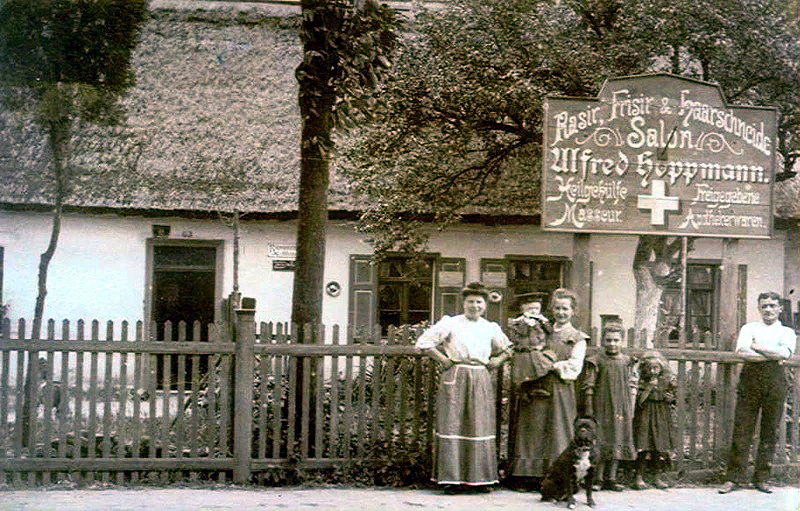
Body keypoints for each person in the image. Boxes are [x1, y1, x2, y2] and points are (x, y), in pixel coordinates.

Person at [415, 281, 513, 493]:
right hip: (456, 375)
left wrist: (497, 361)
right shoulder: (451, 323)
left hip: (480, 377)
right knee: (453, 423)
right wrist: (443, 359)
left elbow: (508, 349)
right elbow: (424, 343)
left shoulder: (490, 327)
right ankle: (452, 479)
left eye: (479, 302)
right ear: (463, 302)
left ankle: (481, 479)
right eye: (470, 302)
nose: (474, 306)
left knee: (479, 424)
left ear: (485, 305)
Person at [507, 288, 588, 489]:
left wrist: (549, 365)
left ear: (573, 311)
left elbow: (574, 368)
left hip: (561, 388)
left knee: (559, 430)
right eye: (557, 308)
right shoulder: (541, 330)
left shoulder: (577, 337)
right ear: (551, 309)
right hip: (537, 385)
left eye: (565, 309)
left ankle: (557, 476)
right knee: (533, 429)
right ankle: (529, 477)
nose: (561, 312)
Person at [719, 291, 796, 494]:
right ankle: (733, 478)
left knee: (770, 430)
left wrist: (757, 346)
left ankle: (761, 479)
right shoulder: (749, 328)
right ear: (759, 308)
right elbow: (742, 352)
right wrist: (771, 354)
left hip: (775, 380)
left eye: (772, 305)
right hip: (751, 379)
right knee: (742, 428)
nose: (768, 310)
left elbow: (785, 353)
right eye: (764, 306)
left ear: (780, 308)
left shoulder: (787, 332)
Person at [583, 315, 638, 491]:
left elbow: (633, 383)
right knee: (601, 440)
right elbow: (589, 384)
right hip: (602, 405)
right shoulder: (596, 360)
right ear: (602, 341)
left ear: (622, 341)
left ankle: (612, 478)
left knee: (618, 438)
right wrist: (589, 406)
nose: (612, 344)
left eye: (616, 340)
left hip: (621, 406)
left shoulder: (628, 361)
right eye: (608, 340)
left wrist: (631, 405)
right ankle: (598, 479)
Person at [632, 350, 676, 490]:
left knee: (659, 447)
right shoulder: (642, 382)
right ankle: (638, 477)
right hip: (646, 415)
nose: (653, 371)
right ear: (644, 368)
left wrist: (670, 398)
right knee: (643, 447)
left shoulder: (666, 382)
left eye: (656, 368)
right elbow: (640, 401)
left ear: (661, 368)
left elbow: (671, 398)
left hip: (661, 415)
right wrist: (649, 386)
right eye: (649, 368)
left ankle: (657, 477)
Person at [508, 294, 554, 399]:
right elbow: (519, 334)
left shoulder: (541, 320)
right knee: (524, 372)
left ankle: (537, 387)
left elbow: (550, 331)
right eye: (530, 308)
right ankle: (523, 391)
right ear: (522, 309)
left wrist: (544, 322)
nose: (534, 311)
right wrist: (526, 323)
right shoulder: (519, 322)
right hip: (524, 351)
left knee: (539, 369)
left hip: (537, 349)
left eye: (536, 308)